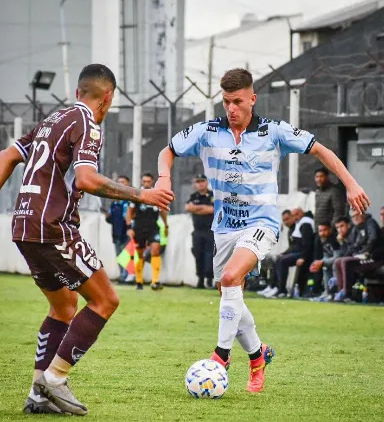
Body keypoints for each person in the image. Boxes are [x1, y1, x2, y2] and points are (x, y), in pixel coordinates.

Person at [156, 67, 369, 393]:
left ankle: (221, 356)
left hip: (261, 224)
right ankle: (258, 355)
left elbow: (322, 151)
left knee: (230, 280)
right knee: (231, 296)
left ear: (252, 99)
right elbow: (166, 151)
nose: (231, 109)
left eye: (237, 101)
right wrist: (164, 178)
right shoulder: (207, 130)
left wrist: (352, 184)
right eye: (226, 102)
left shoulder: (274, 131)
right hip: (223, 228)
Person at [0, 64, 173, 415]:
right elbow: (86, 179)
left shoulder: (55, 119)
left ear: (78, 92)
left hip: (24, 225)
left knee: (64, 306)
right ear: (109, 98)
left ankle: (39, 396)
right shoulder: (87, 122)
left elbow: (7, 155)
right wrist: (141, 195)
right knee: (105, 300)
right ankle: (55, 378)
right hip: (53, 225)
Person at [126, 172, 169, 291]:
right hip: (139, 228)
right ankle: (139, 281)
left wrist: (166, 226)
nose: (146, 184)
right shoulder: (137, 195)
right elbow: (129, 213)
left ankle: (155, 281)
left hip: (153, 227)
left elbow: (163, 212)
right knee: (139, 254)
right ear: (141, 182)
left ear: (152, 182)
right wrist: (129, 228)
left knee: (155, 250)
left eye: (148, 181)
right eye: (144, 181)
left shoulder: (157, 195)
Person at [334, 211, 383, 301]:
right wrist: (347, 254)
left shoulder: (370, 222)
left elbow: (373, 239)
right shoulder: (357, 228)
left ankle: (347, 294)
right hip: (362, 256)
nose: (355, 218)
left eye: (357, 215)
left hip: (375, 258)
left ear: (362, 214)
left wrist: (366, 251)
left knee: (346, 261)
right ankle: (340, 291)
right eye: (352, 216)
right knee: (338, 261)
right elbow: (355, 245)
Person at [186, 174, 215, 289]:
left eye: (202, 181)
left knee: (210, 256)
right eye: (198, 181)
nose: (200, 183)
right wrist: (204, 209)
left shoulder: (213, 195)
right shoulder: (194, 196)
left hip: (210, 232)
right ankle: (200, 280)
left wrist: (196, 208)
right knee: (198, 255)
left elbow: (212, 209)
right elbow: (188, 207)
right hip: (197, 231)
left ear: (207, 182)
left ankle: (209, 280)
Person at [258, 209, 296, 296]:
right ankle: (272, 286)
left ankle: (280, 288)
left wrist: (285, 253)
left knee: (281, 260)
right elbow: (292, 246)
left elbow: (297, 246)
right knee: (276, 259)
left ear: (292, 217)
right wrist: (284, 252)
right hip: (294, 252)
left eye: (287, 219)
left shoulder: (296, 228)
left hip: (300, 254)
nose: (286, 222)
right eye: (284, 220)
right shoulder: (290, 230)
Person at [105, 174, 131, 283]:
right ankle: (122, 276)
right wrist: (107, 217)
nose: (120, 184)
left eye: (123, 182)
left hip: (126, 232)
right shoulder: (114, 202)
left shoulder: (129, 200)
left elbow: (130, 217)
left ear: (127, 184)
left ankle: (128, 276)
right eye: (119, 182)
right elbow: (110, 219)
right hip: (116, 233)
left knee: (126, 256)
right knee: (119, 255)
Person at [309, 223, 340, 301]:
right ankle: (327, 292)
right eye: (320, 231)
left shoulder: (334, 239)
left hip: (341, 261)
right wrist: (319, 263)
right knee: (325, 266)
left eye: (324, 230)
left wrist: (322, 261)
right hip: (333, 261)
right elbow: (326, 257)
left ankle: (336, 292)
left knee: (334, 265)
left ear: (330, 230)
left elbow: (337, 257)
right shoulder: (322, 239)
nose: (322, 233)